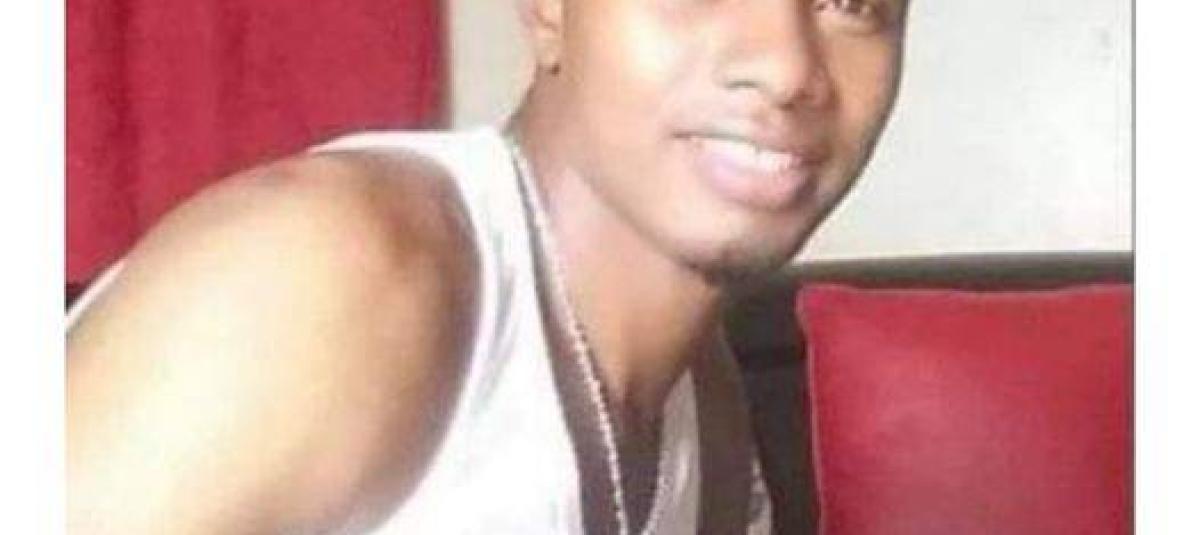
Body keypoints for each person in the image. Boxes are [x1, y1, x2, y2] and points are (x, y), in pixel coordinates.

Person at [66, 0, 910, 532]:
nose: (787, 67)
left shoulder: (704, 412)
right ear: (548, 12)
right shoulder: (324, 272)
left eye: (853, 2)